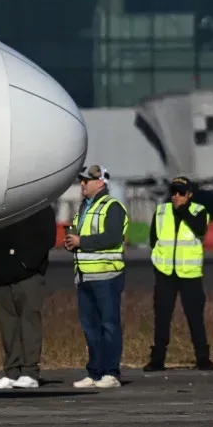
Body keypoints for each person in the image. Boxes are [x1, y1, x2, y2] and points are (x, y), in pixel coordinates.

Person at [65, 164, 129, 390]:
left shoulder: (112, 207)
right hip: (84, 276)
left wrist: (82, 242)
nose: (82, 184)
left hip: (107, 276)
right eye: (81, 181)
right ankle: (94, 371)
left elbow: (112, 237)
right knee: (90, 327)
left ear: (100, 182)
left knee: (109, 325)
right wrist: (71, 242)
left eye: (87, 180)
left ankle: (111, 373)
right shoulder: (84, 207)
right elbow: (78, 232)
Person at [0, 207, 56, 390]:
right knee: (8, 325)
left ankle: (30, 372)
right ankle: (11, 372)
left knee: (29, 322)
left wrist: (27, 263)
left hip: (27, 276)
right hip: (0, 276)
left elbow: (46, 237)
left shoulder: (40, 207)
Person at [146, 176, 213, 372]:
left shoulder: (198, 211)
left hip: (190, 274)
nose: (176, 196)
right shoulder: (160, 212)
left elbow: (200, 229)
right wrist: (158, 261)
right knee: (162, 317)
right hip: (165, 273)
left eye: (181, 193)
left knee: (195, 317)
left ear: (190, 195)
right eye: (174, 192)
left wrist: (183, 210)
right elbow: (153, 240)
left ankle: (202, 357)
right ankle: (157, 359)